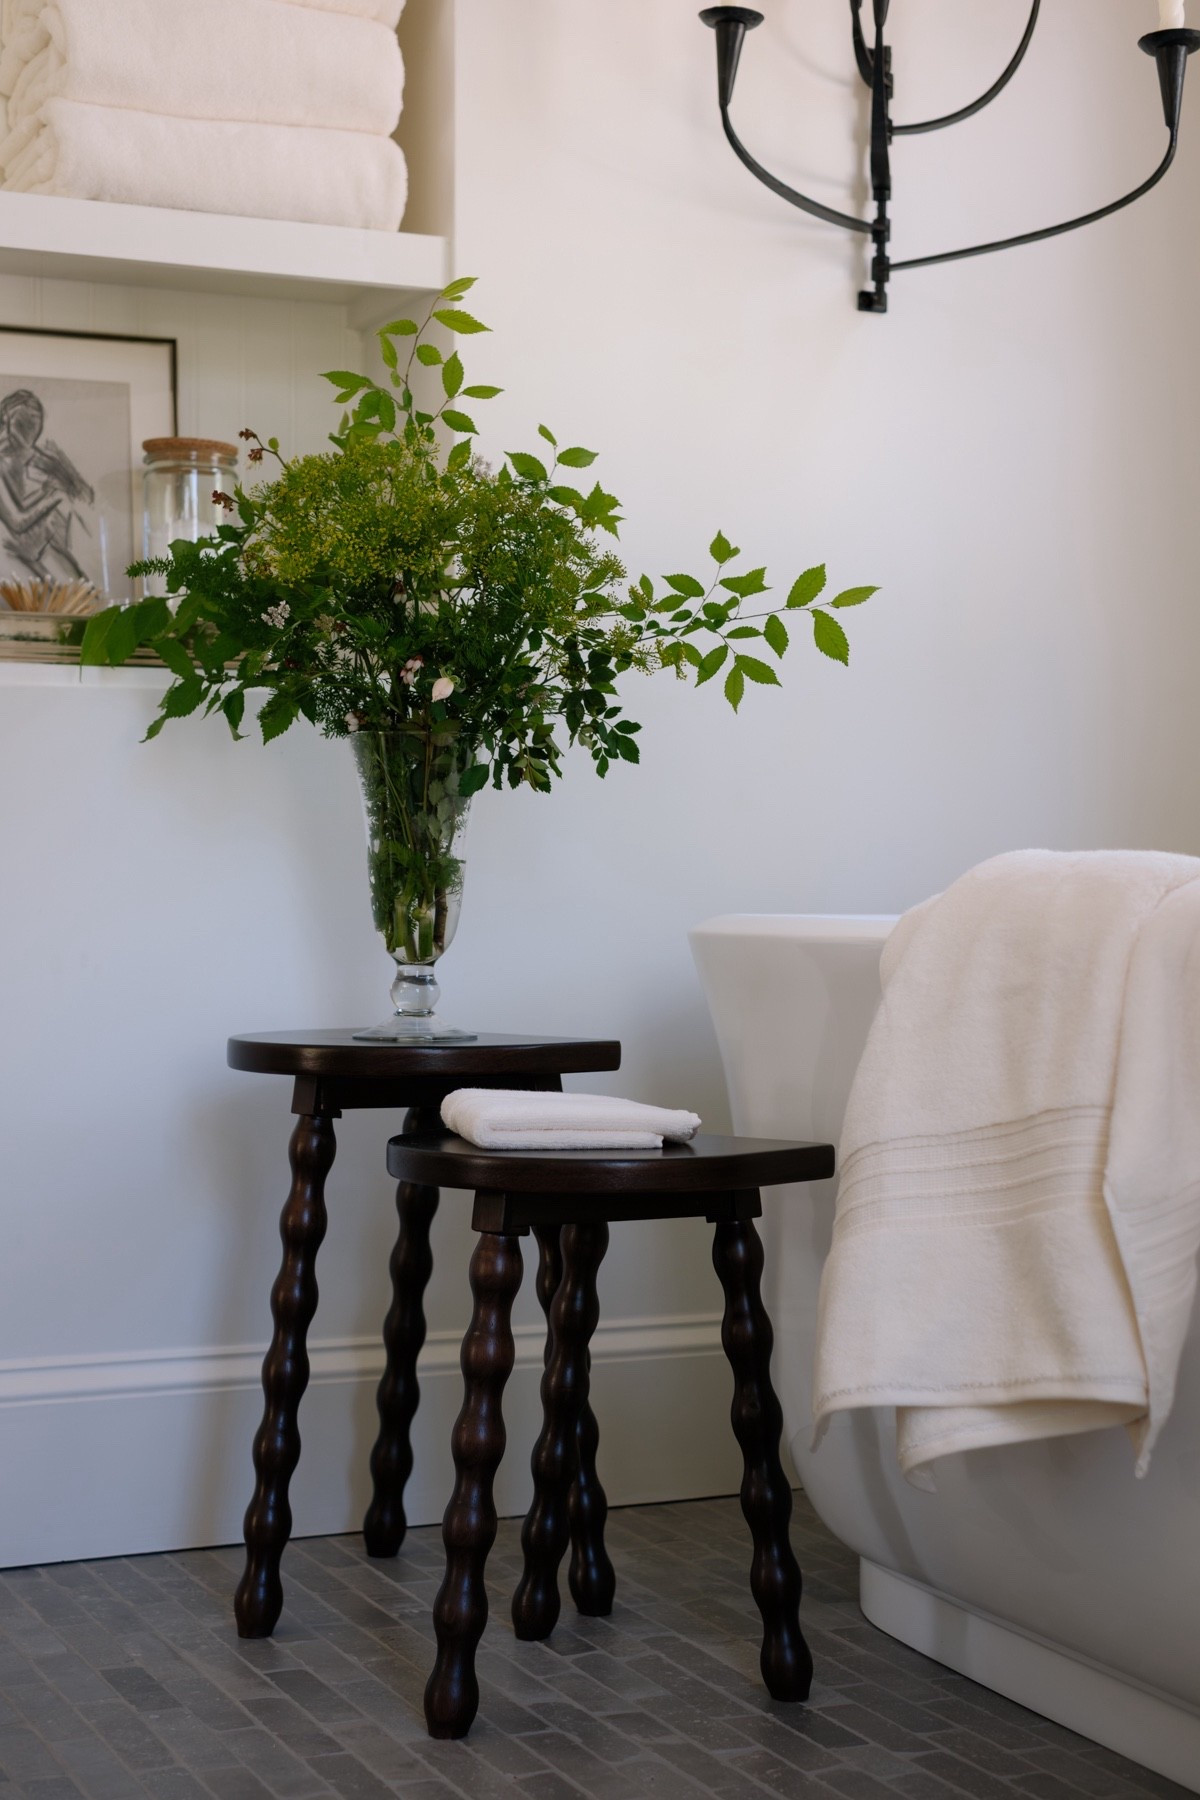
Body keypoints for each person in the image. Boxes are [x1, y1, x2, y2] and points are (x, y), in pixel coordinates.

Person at [0, 386, 95, 585]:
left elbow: (86, 496)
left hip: (46, 543)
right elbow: (16, 521)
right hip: (19, 551)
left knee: (82, 594)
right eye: (21, 432)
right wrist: (54, 496)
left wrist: (64, 473)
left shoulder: (34, 456)